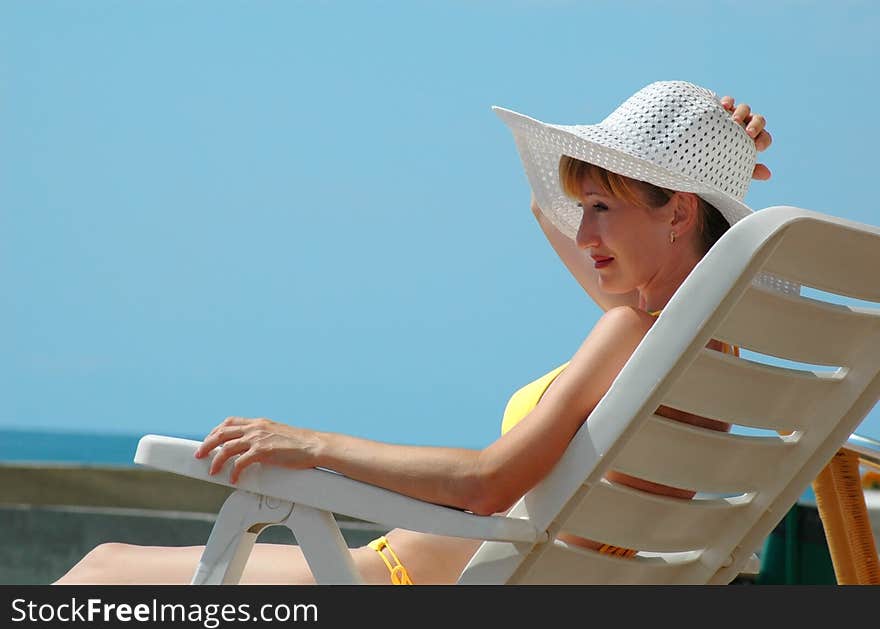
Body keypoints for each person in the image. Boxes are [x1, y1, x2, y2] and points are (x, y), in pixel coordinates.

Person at [55, 81, 773, 585]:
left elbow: (487, 484)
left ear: (678, 215)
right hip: (422, 576)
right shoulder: (705, 353)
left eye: (602, 207)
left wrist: (309, 445)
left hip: (384, 582)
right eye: (582, 206)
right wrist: (716, 153)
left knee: (97, 578)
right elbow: (545, 210)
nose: (582, 230)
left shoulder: (635, 332)